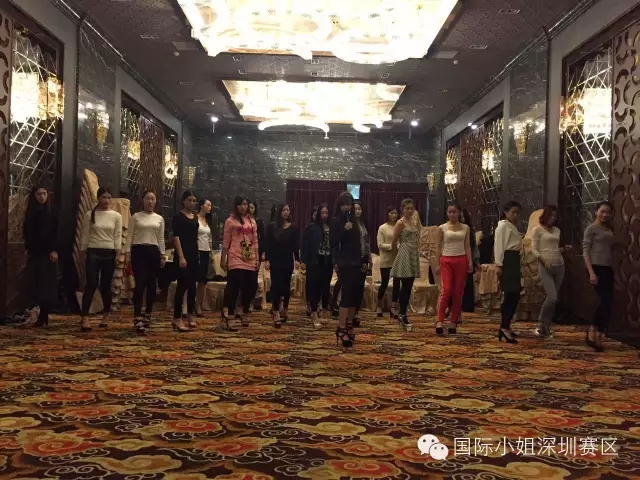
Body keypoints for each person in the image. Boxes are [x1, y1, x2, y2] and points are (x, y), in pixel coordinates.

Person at [79, 187, 122, 332]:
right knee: (91, 283)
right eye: (104, 197)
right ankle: (85, 317)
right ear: (98, 198)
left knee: (105, 285)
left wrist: (118, 253)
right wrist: (82, 251)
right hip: (93, 251)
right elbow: (85, 234)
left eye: (109, 197)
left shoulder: (116, 216)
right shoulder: (89, 215)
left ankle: (106, 315)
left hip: (109, 252)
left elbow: (117, 236)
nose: (107, 200)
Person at [125, 190, 165, 334]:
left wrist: (162, 255)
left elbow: (161, 238)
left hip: (153, 251)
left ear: (156, 201)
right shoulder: (135, 217)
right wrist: (127, 253)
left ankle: (148, 313)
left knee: (152, 285)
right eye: (148, 198)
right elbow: (129, 236)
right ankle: (137, 316)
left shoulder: (159, 218)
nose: (150, 201)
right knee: (140, 285)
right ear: (142, 200)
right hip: (138, 251)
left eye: (153, 198)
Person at [23, 181, 59, 327]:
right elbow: (27, 232)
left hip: (48, 254)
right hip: (34, 253)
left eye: (44, 194)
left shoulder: (53, 212)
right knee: (35, 284)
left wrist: (55, 250)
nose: (42, 197)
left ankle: (44, 314)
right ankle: (37, 313)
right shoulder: (31, 212)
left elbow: (57, 233)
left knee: (47, 285)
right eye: (39, 194)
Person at [221, 195, 259, 330]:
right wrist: (223, 258)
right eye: (241, 204)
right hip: (235, 256)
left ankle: (244, 310)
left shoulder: (252, 222)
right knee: (234, 287)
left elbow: (255, 241)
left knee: (251, 287)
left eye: (245, 204)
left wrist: (257, 258)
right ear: (236, 206)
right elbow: (226, 241)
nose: (243, 207)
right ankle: (230, 316)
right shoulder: (230, 221)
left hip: (250, 257)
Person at [531, 205, 569, 338]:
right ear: (545, 216)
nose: (553, 218)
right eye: (551, 215)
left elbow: (555, 248)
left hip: (559, 265)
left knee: (553, 298)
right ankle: (540, 324)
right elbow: (534, 249)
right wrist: (543, 260)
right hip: (545, 266)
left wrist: (564, 249)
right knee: (552, 297)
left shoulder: (557, 230)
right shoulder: (537, 230)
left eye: (555, 216)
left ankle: (547, 326)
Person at [435, 203, 472, 335]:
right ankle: (439, 320)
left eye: (454, 212)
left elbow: (467, 245)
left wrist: (470, 261)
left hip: (461, 260)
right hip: (446, 260)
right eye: (449, 212)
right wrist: (437, 264)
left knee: (458, 292)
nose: (452, 214)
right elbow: (438, 247)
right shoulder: (442, 227)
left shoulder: (466, 227)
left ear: (459, 213)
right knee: (447, 290)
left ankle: (453, 321)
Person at [583, 201, 615, 352]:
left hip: (607, 268)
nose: (605, 215)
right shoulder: (591, 228)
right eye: (602, 211)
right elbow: (585, 252)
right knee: (603, 301)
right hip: (595, 268)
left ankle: (599, 333)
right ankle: (592, 332)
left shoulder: (609, 229)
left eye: (608, 212)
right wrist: (591, 272)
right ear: (596, 211)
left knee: (608, 302)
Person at [330, 192, 361, 348]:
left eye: (349, 204)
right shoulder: (336, 220)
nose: (347, 207)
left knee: (354, 295)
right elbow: (333, 242)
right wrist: (344, 229)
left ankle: (349, 324)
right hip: (344, 261)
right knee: (346, 294)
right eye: (344, 204)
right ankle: (341, 327)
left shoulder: (354, 220)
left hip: (356, 260)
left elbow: (358, 242)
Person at [265, 204, 300, 328]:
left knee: (286, 286)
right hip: (275, 260)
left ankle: (285, 308)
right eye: (284, 210)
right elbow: (269, 245)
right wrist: (267, 259)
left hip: (287, 261)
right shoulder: (272, 227)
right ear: (280, 211)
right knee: (276, 286)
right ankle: (275, 311)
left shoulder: (293, 228)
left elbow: (295, 245)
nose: (286, 212)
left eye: (288, 210)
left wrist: (297, 259)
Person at [494, 200, 523, 344]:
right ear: (506, 212)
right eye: (513, 212)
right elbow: (499, 246)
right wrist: (499, 265)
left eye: (517, 212)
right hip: (508, 260)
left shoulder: (512, 226)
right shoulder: (503, 226)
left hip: (515, 260)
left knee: (515, 294)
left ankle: (506, 325)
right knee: (511, 294)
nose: (515, 215)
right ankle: (504, 327)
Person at [391, 198, 421, 331]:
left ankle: (402, 313)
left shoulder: (413, 222)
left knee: (409, 286)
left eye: (411, 208)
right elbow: (393, 242)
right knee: (405, 286)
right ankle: (402, 313)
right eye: (407, 208)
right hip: (404, 253)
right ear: (402, 209)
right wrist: (398, 254)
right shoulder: (400, 222)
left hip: (413, 253)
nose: (409, 210)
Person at [172, 190, 199, 332]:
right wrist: (181, 256)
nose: (192, 203)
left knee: (192, 287)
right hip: (182, 254)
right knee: (182, 285)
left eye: (194, 201)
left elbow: (195, 237)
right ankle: (177, 317)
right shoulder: (178, 217)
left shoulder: (195, 217)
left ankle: (190, 313)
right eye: (189, 200)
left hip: (194, 254)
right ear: (183, 201)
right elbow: (176, 237)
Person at [301, 204, 332, 328]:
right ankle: (314, 312)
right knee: (315, 287)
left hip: (328, 260)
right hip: (315, 261)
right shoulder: (312, 227)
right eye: (322, 213)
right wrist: (303, 260)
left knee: (326, 287)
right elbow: (305, 245)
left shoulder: (331, 227)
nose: (324, 215)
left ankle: (324, 310)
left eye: (326, 213)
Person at [377, 206, 400, 318]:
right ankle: (379, 305)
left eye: (395, 213)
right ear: (388, 214)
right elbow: (380, 244)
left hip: (397, 259)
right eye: (392, 213)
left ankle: (393, 307)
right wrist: (393, 246)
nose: (394, 215)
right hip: (386, 259)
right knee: (384, 283)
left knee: (397, 284)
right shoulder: (382, 228)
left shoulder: (399, 226)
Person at [352, 200, 371, 326]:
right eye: (355, 209)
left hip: (363, 258)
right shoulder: (349, 224)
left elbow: (367, 242)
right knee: (352, 286)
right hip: (353, 258)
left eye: (359, 209)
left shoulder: (364, 224)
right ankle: (350, 313)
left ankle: (356, 312)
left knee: (360, 286)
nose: (357, 211)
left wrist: (369, 258)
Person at [195, 198, 213, 317]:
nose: (209, 207)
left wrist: (211, 252)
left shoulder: (208, 220)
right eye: (208, 205)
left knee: (202, 280)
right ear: (201, 206)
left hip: (206, 252)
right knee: (192, 279)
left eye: (211, 206)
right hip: (197, 251)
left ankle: (198, 305)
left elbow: (209, 238)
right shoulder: (195, 218)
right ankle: (186, 305)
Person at [305, 205, 318, 316]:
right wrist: (303, 260)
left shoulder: (324, 227)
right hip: (310, 260)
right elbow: (305, 245)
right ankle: (309, 303)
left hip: (321, 260)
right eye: (314, 215)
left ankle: (317, 303)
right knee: (310, 283)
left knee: (319, 283)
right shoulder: (309, 227)